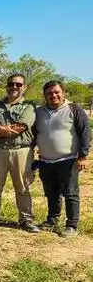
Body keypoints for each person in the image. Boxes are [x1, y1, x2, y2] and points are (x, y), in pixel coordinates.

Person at [0, 74, 39, 233]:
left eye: (18, 84)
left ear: (25, 87)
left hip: (21, 151)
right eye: (11, 84)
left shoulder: (29, 106)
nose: (14, 87)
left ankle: (26, 220)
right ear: (7, 86)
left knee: (22, 187)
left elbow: (21, 127)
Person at [33, 80, 90, 237]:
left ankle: (72, 225)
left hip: (69, 160)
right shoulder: (39, 112)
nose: (53, 95)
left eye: (57, 92)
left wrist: (83, 156)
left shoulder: (74, 109)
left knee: (70, 193)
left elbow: (84, 133)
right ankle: (52, 220)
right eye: (49, 93)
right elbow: (34, 134)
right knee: (51, 192)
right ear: (44, 96)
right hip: (45, 160)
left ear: (63, 92)